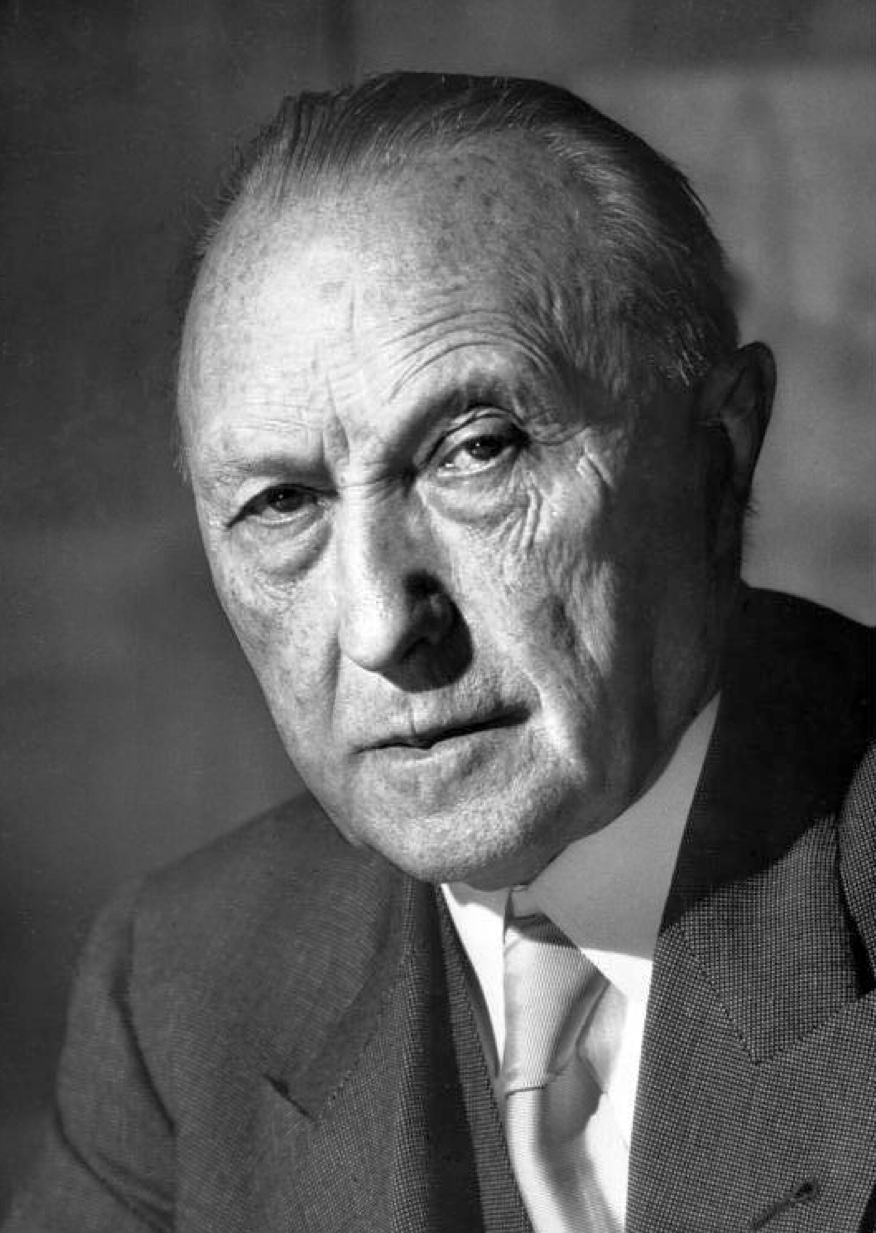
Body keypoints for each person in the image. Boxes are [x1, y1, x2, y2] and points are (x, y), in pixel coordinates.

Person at [4, 72, 874, 1233]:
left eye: (476, 450)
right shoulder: (179, 986)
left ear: (720, 450)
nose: (380, 625)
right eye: (280, 504)